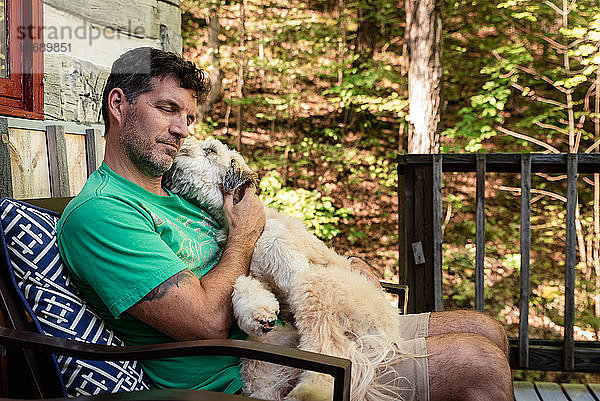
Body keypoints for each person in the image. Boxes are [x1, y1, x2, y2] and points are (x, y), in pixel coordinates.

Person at [57, 47, 513, 401]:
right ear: (119, 105)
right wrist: (243, 238)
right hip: (249, 370)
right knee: (479, 363)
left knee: (485, 327)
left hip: (294, 333)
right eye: (167, 109)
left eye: (190, 117)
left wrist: (335, 268)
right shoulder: (103, 213)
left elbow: (270, 247)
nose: (182, 129)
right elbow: (209, 324)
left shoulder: (178, 187)